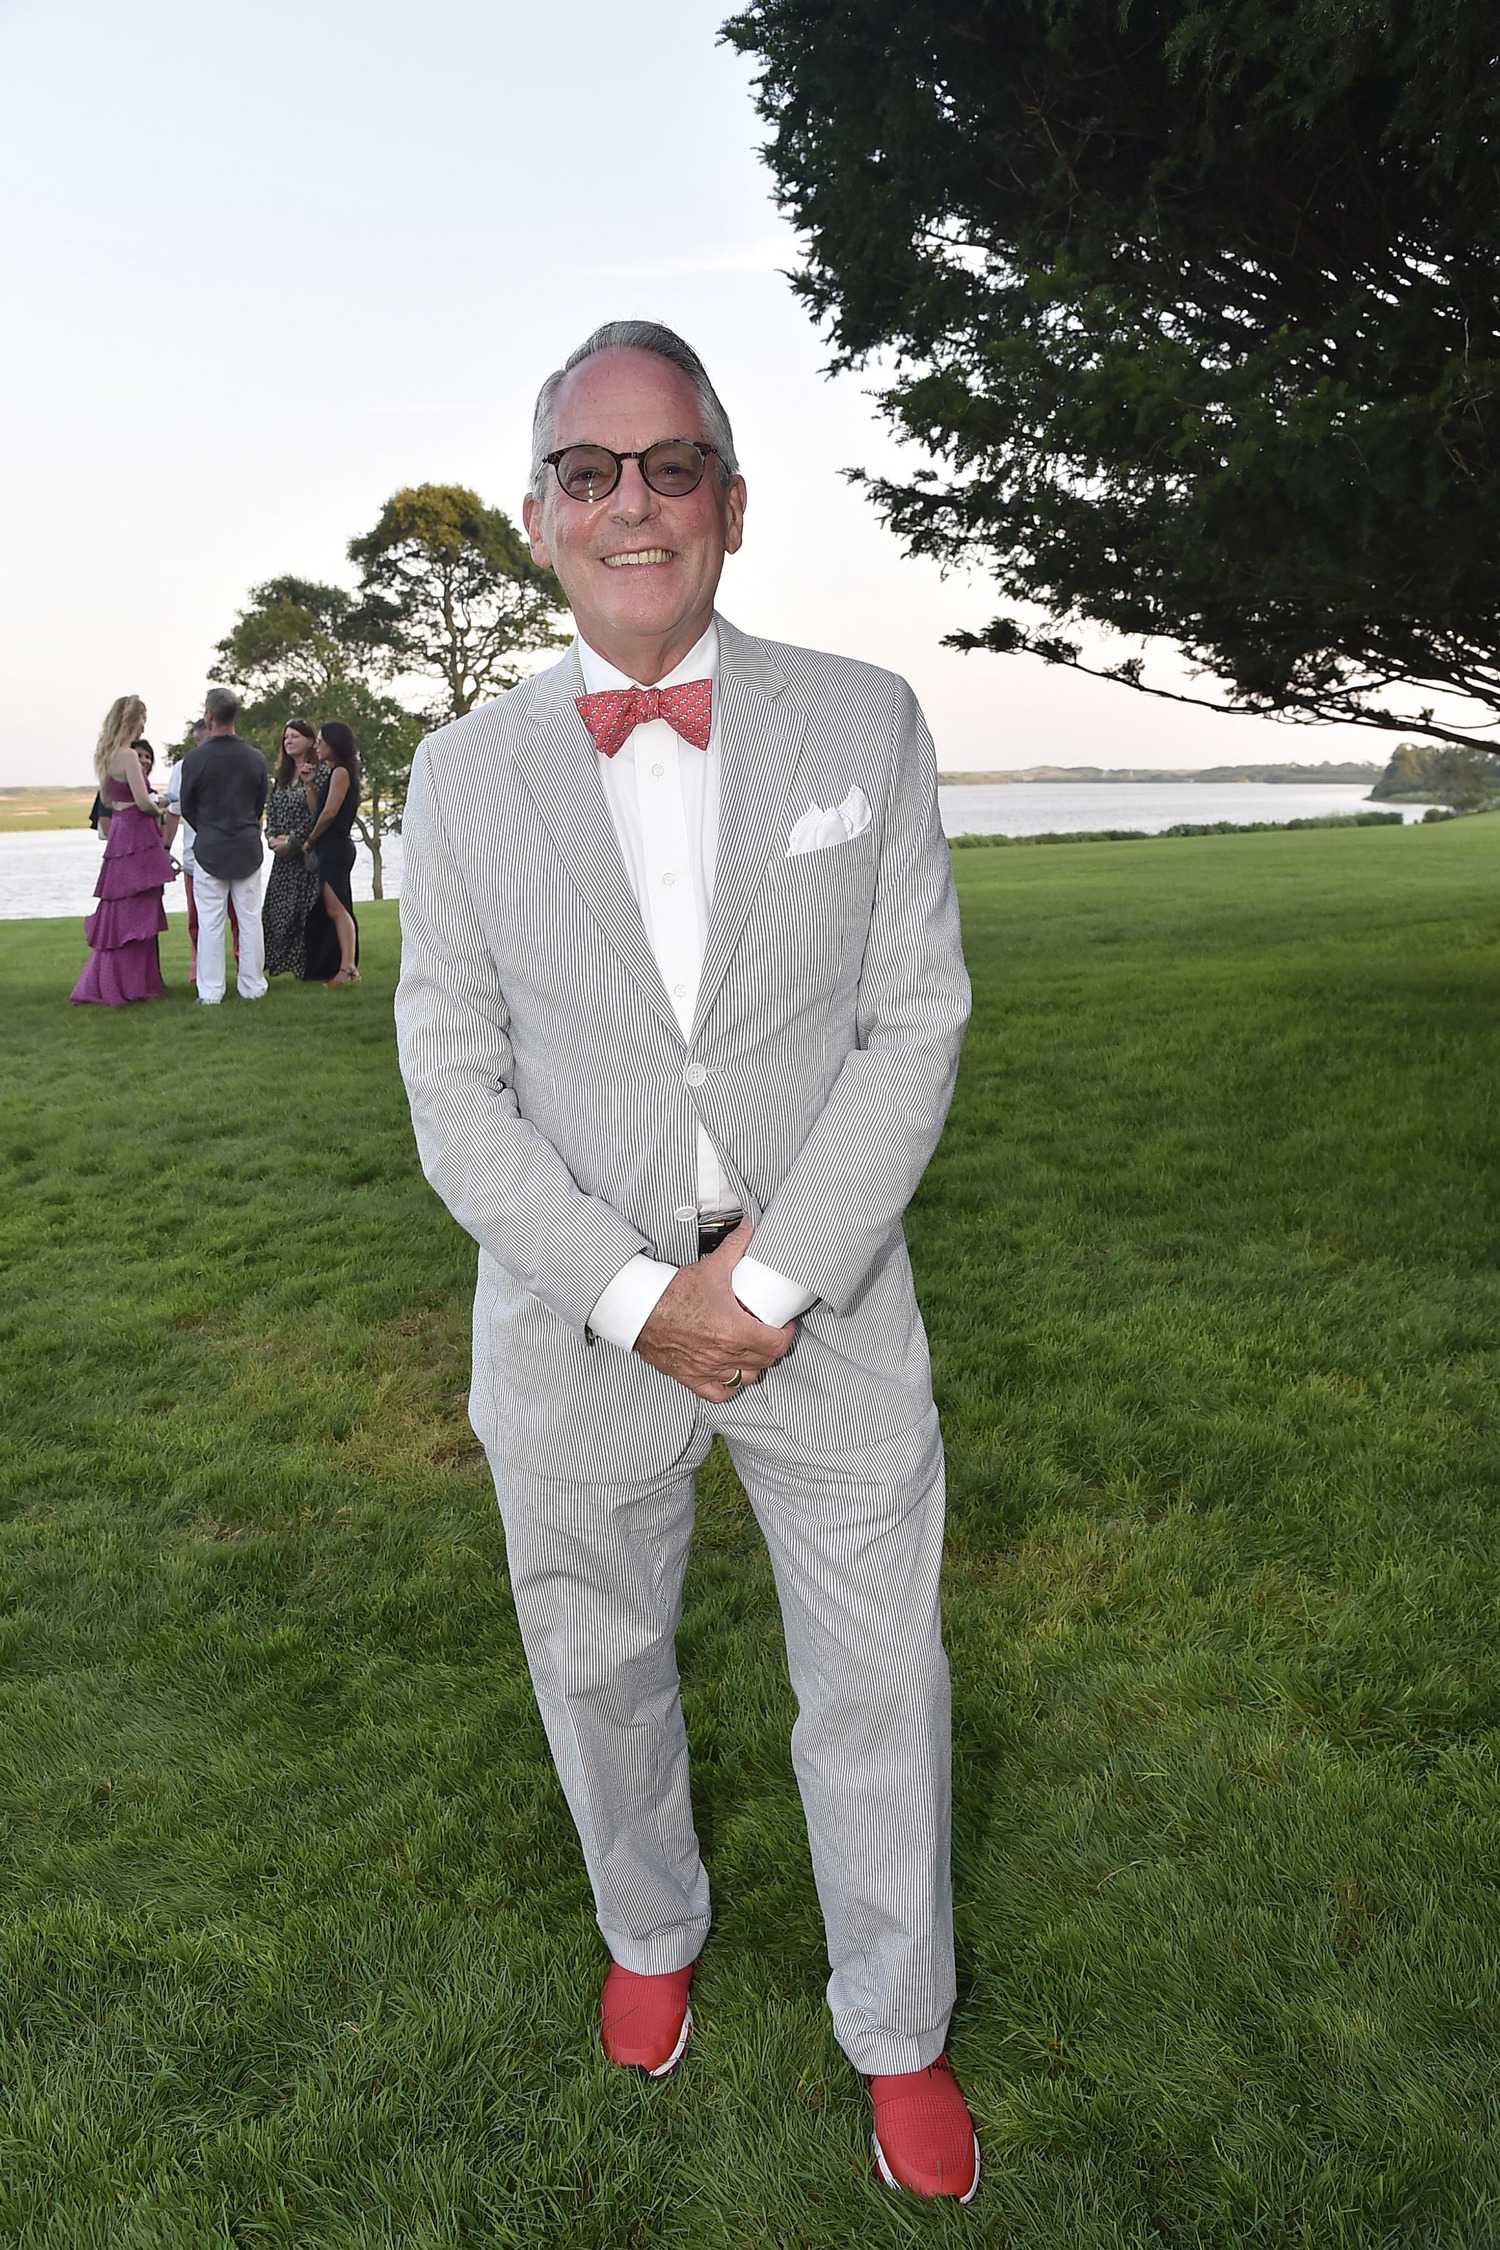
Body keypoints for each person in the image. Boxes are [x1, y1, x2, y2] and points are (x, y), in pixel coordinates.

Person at [394, 323, 976, 2200]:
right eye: (590, 471)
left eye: (667, 467)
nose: (629, 503)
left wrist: (772, 1286)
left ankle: (899, 2027)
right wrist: (647, 1303)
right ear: (542, 518)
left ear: (729, 499)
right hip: (580, 1339)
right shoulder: (461, 776)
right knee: (600, 1669)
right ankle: (651, 1931)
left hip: (832, 1313)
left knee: (881, 1685)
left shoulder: (865, 719)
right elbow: (454, 1091)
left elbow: (916, 1027)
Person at [71, 698, 179, 1006]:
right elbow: (143, 802)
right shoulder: (129, 755)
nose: (145, 725)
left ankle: (124, 982)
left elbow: (108, 797)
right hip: (137, 832)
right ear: (132, 719)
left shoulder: (105, 756)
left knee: (119, 909)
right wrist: (162, 804)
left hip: (119, 832)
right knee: (139, 909)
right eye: (143, 719)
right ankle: (133, 984)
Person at [177, 686, 269, 1005]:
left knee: (210, 921)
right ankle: (253, 985)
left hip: (211, 847)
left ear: (210, 715)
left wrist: (208, 829)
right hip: (246, 846)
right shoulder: (256, 758)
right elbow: (259, 804)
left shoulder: (195, 759)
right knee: (249, 917)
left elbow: (187, 807)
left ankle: (211, 990)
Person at [164, 717, 239, 980]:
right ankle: (201, 968)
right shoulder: (183, 768)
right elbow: (173, 811)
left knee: (239, 916)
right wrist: (165, 848)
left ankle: (244, 966)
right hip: (196, 858)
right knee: (198, 920)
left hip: (235, 855)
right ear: (198, 741)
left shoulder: (237, 762)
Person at [297, 722, 360, 985]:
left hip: (334, 846)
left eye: (321, 741)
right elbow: (318, 810)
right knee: (333, 906)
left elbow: (329, 813)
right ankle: (343, 966)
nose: (316, 745)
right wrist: (310, 785)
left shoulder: (341, 773)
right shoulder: (335, 773)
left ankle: (347, 968)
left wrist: (311, 840)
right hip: (331, 847)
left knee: (337, 908)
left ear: (334, 744)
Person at [263, 719, 327, 975]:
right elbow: (272, 812)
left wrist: (293, 842)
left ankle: (306, 966)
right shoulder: (280, 778)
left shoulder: (319, 773)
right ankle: (274, 963)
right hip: (282, 859)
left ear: (310, 740)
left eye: (295, 736)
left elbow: (317, 815)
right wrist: (272, 840)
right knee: (275, 912)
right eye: (286, 736)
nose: (288, 740)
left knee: (304, 912)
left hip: (306, 855)